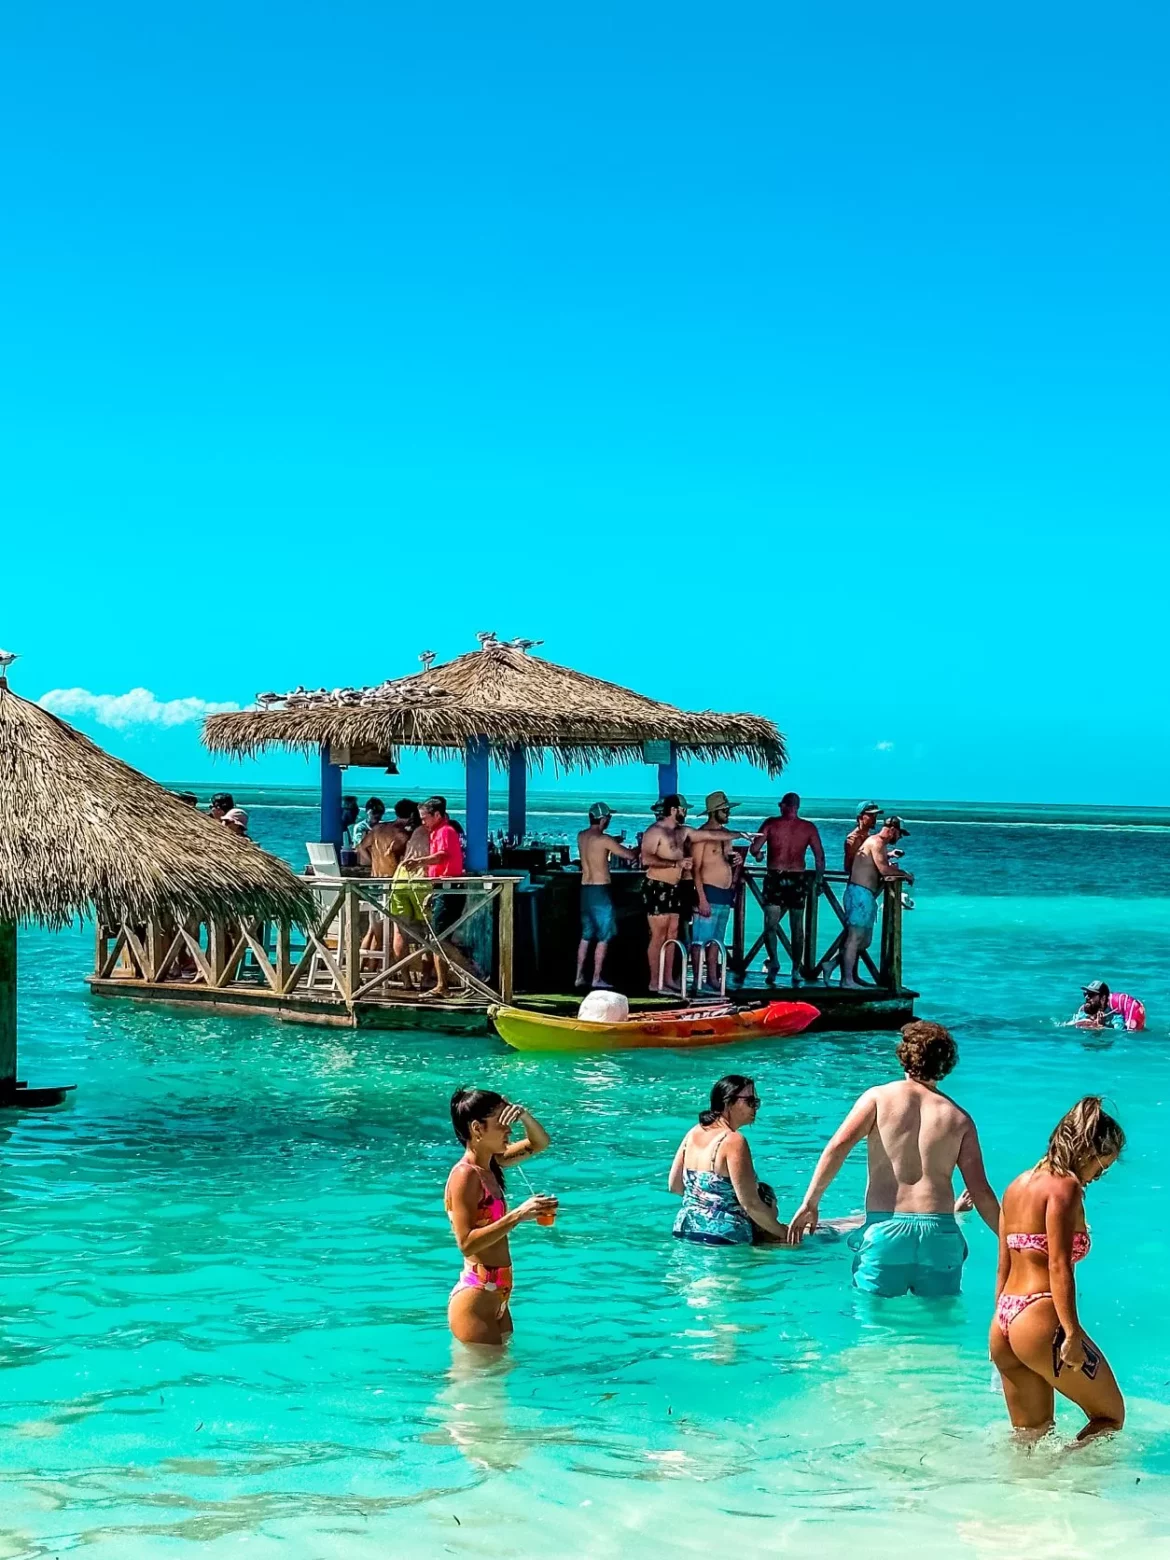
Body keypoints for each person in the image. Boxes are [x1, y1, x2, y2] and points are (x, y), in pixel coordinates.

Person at [788, 1021, 999, 1294]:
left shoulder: (878, 1099)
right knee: (940, 1322)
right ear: (946, 1062)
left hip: (886, 1228)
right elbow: (980, 1190)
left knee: (873, 1323)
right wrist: (1011, 1237)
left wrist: (810, 1203)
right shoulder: (959, 1118)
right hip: (941, 1234)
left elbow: (837, 1148)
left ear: (904, 1055)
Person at [990, 1096, 1125, 1442]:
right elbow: (1058, 1264)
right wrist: (1072, 1334)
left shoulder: (1016, 1186)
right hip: (1039, 1317)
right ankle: (1069, 1489)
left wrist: (1000, 1328)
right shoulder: (1065, 1188)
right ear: (1086, 1150)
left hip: (1005, 1320)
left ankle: (1021, 1492)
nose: (1100, 1175)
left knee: (1029, 1436)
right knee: (1109, 1416)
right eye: (1102, 1165)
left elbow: (1003, 1262)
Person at [444, 1088, 556, 1346]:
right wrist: (517, 1215)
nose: (509, 1130)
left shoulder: (493, 1164)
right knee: (480, 1382)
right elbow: (466, 1243)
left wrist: (524, 1115)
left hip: (498, 1296)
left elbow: (540, 1143)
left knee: (497, 1379)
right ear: (477, 1128)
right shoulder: (465, 1176)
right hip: (476, 1296)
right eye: (501, 1123)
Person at [669, 1075, 799, 1245]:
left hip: (684, 1231)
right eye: (750, 1101)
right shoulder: (734, 1141)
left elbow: (675, 1186)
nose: (755, 1107)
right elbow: (750, 1203)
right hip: (725, 1238)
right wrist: (784, 1233)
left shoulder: (693, 1133)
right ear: (728, 1102)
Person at [750, 793, 825, 985]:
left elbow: (754, 848)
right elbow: (819, 857)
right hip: (798, 877)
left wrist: (759, 856)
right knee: (797, 927)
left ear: (782, 805)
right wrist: (819, 880)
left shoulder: (771, 823)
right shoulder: (808, 827)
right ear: (797, 807)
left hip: (775, 876)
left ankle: (774, 961)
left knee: (770, 925)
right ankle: (795, 968)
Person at [839, 816, 912, 988]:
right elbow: (884, 870)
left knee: (864, 941)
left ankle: (833, 966)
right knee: (855, 938)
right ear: (893, 830)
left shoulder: (879, 845)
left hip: (866, 895)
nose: (899, 838)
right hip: (859, 893)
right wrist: (905, 874)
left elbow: (876, 864)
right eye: (900, 834)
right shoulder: (877, 842)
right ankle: (846, 980)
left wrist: (889, 857)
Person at [575, 802, 638, 990]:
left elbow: (597, 848)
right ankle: (596, 978)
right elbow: (628, 856)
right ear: (603, 819)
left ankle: (578, 976)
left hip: (585, 889)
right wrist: (641, 847)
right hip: (600, 891)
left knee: (586, 936)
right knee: (604, 936)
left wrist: (613, 841)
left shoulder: (581, 836)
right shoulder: (605, 839)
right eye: (608, 818)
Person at [689, 790, 745, 993]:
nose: (728, 813)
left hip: (724, 894)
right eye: (724, 810)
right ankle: (697, 980)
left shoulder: (726, 836)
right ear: (714, 812)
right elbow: (695, 868)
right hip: (708, 893)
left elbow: (727, 860)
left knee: (716, 941)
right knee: (700, 940)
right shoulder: (701, 836)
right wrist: (701, 897)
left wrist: (737, 861)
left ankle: (712, 978)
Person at [412, 798, 468, 997]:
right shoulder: (435, 832)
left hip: (449, 888)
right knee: (438, 938)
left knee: (439, 938)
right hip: (440, 887)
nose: (422, 822)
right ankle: (444, 983)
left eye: (425, 817)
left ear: (437, 815)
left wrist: (419, 861)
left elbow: (442, 856)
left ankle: (468, 976)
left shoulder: (445, 831)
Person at [358, 800, 417, 966]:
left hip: (374, 882)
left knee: (375, 929)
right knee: (395, 932)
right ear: (412, 815)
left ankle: (367, 970)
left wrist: (374, 863)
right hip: (391, 885)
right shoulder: (403, 835)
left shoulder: (378, 828)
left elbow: (361, 847)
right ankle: (395, 975)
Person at [843, 802, 881, 875]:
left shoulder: (868, 836)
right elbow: (849, 867)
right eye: (870, 815)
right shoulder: (853, 839)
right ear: (860, 817)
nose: (874, 819)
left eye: (875, 815)